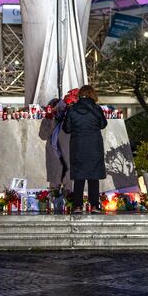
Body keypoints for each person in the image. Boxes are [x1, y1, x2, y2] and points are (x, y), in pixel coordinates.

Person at [16, 0, 97, 105]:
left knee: (69, 60)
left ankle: (71, 96)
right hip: (46, 27)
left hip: (67, 24)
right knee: (46, 64)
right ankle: (44, 101)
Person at [62, 85, 107, 213]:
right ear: (92, 94)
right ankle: (94, 206)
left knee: (79, 176)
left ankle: (77, 206)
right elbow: (103, 124)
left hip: (78, 146)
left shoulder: (72, 109)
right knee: (94, 176)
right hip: (94, 146)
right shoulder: (96, 108)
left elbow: (67, 129)